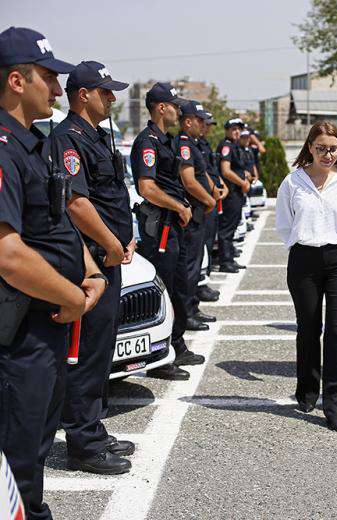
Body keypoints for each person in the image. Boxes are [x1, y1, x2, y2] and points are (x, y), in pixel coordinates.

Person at [0, 26, 107, 518]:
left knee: (36, 447)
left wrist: (92, 272)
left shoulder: (33, 142)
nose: (59, 89)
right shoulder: (2, 146)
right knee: (15, 458)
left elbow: (56, 221)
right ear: (17, 81)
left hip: (47, 328)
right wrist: (70, 294)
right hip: (19, 336)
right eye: (50, 77)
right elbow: (8, 253)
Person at [51, 60, 136, 475]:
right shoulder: (68, 138)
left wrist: (126, 237)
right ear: (82, 94)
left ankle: (94, 427)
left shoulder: (100, 137)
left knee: (102, 349)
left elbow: (114, 195)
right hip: (89, 263)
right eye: (106, 91)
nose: (113, 98)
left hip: (111, 256)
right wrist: (112, 244)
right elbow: (76, 203)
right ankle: (82, 444)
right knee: (84, 354)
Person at [275, 121, 337, 433]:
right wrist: (302, 243)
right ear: (309, 148)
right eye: (321, 148)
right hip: (305, 258)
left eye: (333, 149)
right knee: (308, 328)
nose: (328, 154)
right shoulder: (293, 182)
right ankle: (307, 389)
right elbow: (285, 224)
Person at [131, 82, 203, 381]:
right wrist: (179, 206)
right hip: (160, 226)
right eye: (174, 105)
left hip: (173, 226)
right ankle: (160, 358)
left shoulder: (166, 140)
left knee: (178, 285)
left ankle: (175, 344)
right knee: (165, 289)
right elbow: (146, 188)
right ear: (161, 108)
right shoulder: (147, 141)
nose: (178, 109)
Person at [174, 100, 217, 329]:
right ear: (188, 121)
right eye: (199, 120)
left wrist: (213, 190)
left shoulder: (194, 143)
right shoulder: (184, 144)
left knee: (196, 263)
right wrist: (208, 199)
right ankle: (186, 314)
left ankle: (192, 307)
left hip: (200, 211)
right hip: (192, 212)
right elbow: (189, 181)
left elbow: (202, 173)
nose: (203, 124)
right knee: (189, 267)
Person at [194, 111, 226, 303]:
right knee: (201, 245)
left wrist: (218, 186)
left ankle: (202, 281)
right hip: (204, 200)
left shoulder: (203, 144)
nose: (206, 127)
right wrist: (212, 193)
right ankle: (199, 284)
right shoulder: (192, 145)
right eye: (204, 123)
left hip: (210, 197)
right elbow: (198, 175)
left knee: (206, 241)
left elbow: (210, 171)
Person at [216, 118, 250, 273]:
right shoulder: (226, 146)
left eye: (239, 129)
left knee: (233, 225)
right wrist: (242, 183)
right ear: (227, 130)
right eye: (234, 129)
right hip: (230, 194)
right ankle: (225, 261)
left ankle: (229, 257)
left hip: (236, 193)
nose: (237, 132)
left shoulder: (235, 146)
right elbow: (226, 170)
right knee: (227, 229)